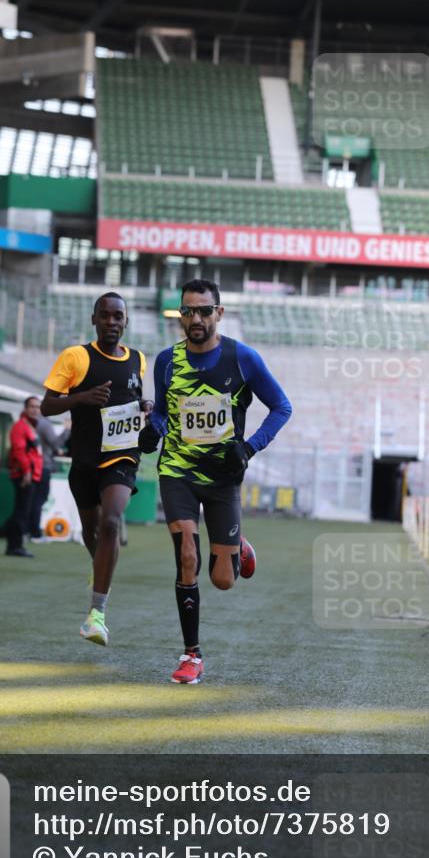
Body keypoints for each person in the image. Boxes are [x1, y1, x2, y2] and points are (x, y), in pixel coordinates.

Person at [139, 279, 292, 684]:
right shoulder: (166, 361)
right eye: (187, 311)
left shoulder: (242, 358)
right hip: (177, 470)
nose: (195, 318)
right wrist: (152, 430)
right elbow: (163, 413)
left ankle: (237, 544)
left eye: (204, 310)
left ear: (219, 314)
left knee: (222, 580)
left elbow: (281, 407)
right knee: (186, 553)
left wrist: (250, 447)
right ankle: (192, 655)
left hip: (224, 475)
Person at [41, 292, 152, 646]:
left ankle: (96, 615)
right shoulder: (76, 357)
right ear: (94, 319)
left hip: (122, 457)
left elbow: (133, 399)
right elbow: (46, 406)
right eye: (104, 316)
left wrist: (144, 404)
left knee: (111, 522)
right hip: (85, 460)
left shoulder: (138, 359)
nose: (111, 322)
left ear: (126, 321)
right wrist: (81, 398)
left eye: (117, 316)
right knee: (92, 533)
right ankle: (99, 568)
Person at [5, 396, 43, 557]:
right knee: (21, 511)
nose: (35, 409)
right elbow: (19, 451)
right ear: (25, 409)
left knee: (22, 511)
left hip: (31, 475)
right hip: (23, 475)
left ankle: (14, 544)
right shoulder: (20, 426)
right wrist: (26, 472)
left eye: (37, 407)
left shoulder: (31, 427)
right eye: (32, 406)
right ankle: (15, 546)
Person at [29, 413, 69, 541]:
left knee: (33, 499)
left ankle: (28, 531)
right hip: (41, 466)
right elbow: (56, 444)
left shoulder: (31, 423)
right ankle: (34, 533)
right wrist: (67, 429)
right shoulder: (44, 423)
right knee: (38, 499)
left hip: (33, 466)